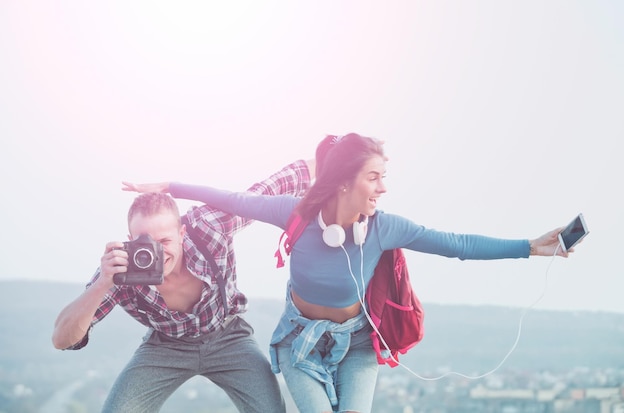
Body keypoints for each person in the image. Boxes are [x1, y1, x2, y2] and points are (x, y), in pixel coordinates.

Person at [124, 133, 573, 413]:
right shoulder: (294, 214)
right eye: (374, 176)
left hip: (357, 343)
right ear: (345, 181)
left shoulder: (384, 228)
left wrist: (530, 247)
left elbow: (455, 245)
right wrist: (171, 187)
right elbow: (233, 199)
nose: (383, 187)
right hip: (300, 344)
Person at [51, 159, 314, 413]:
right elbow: (62, 339)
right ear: (130, 240)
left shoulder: (208, 226)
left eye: (164, 241)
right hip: (166, 346)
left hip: (229, 337)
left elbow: (263, 193)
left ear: (182, 233)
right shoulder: (120, 268)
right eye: (144, 242)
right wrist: (102, 283)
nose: (155, 252)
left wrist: (334, 160)